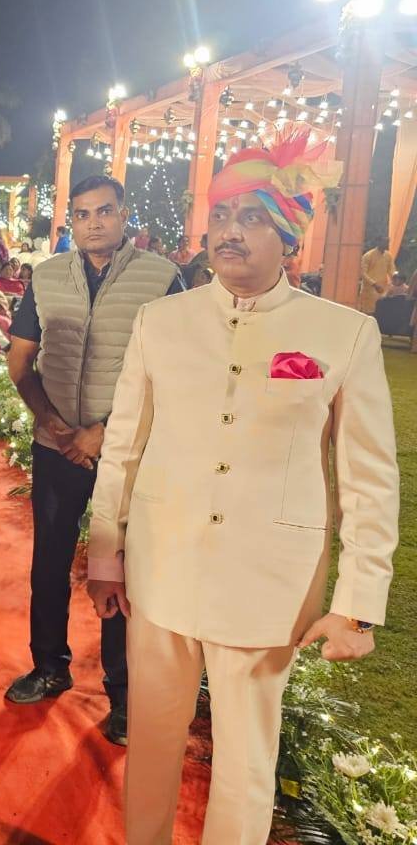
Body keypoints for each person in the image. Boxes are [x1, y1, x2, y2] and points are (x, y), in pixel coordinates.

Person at [87, 127, 399, 844]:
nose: (230, 232)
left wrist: (358, 605)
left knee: (248, 763)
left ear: (288, 235)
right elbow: (123, 447)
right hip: (162, 568)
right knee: (152, 742)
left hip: (270, 582)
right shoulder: (161, 321)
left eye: (252, 217)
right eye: (222, 215)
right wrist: (106, 553)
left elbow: (370, 479)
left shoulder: (343, 334)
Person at [4, 174, 183, 746]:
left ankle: (123, 693)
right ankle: (48, 666)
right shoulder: (46, 276)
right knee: (49, 561)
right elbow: (20, 362)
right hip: (56, 445)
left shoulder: (163, 277)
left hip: (127, 452)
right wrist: (55, 426)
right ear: (71, 222)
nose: (93, 223)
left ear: (124, 215)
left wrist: (104, 434)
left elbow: (176, 370)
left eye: (104, 211)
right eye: (81, 214)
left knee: (121, 566)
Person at [359, 239, 396, 314]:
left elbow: (391, 270)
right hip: (369, 289)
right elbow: (363, 273)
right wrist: (374, 284)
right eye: (384, 242)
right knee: (368, 313)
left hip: (383, 289)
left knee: (380, 312)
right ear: (378, 242)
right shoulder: (368, 255)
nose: (386, 244)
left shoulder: (388, 256)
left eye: (388, 242)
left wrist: (396, 281)